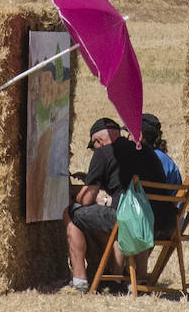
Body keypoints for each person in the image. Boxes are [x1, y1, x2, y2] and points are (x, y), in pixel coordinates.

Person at [63, 117, 174, 291]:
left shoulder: (103, 153)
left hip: (135, 220)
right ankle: (130, 277)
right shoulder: (146, 150)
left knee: (72, 212)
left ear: (98, 141)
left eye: (93, 146)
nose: (94, 150)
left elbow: (86, 199)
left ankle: (79, 280)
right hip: (165, 224)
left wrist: (74, 193)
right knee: (116, 215)